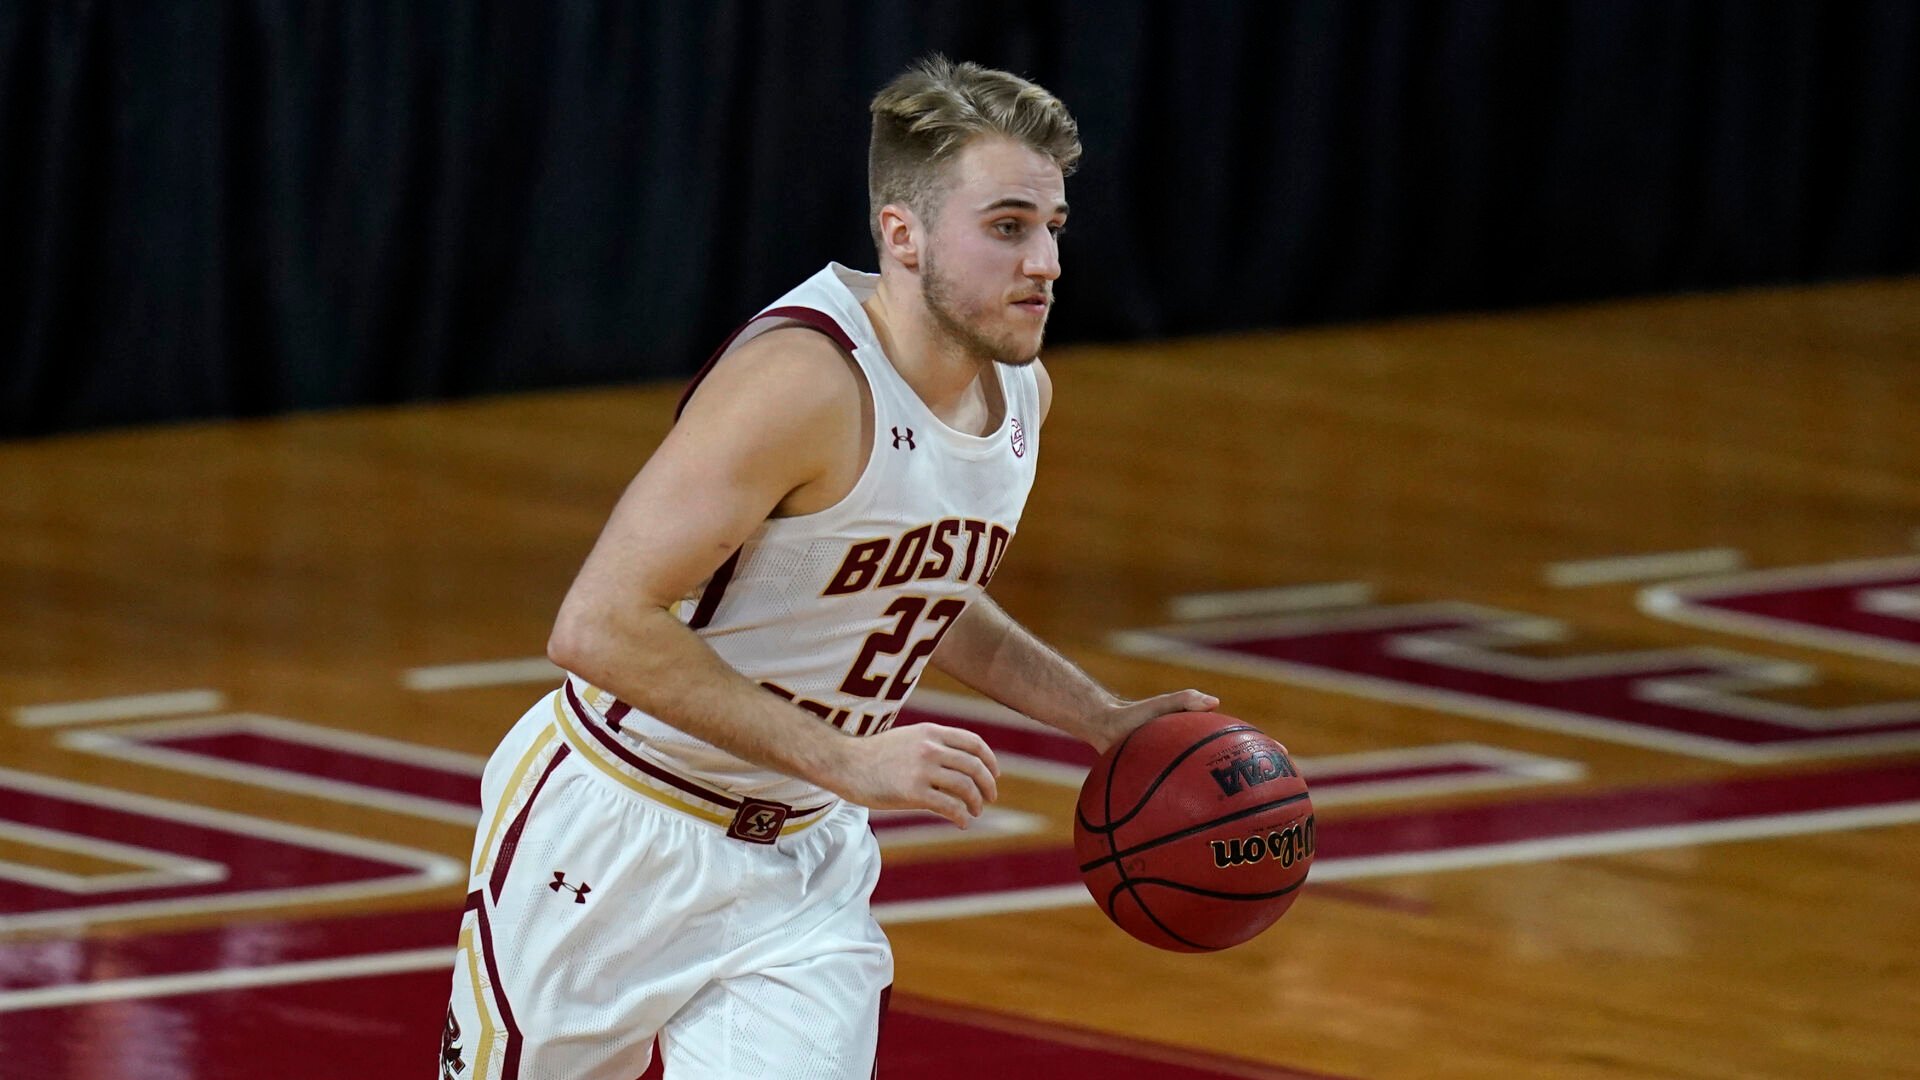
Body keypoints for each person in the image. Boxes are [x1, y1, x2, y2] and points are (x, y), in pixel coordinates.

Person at [444, 55, 1217, 1080]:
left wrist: (1098, 718)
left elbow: (919, 587)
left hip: (801, 864)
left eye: (1052, 228)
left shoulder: (1017, 393)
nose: (1046, 263)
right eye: (1006, 227)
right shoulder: (802, 383)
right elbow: (597, 625)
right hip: (617, 829)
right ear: (901, 233)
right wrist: (852, 758)